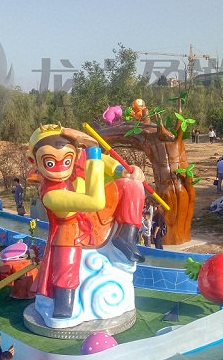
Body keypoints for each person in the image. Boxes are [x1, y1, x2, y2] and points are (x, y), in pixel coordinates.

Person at [27, 124, 146, 318]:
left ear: (74, 155)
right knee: (66, 253)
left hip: (96, 216)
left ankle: (127, 236)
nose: (60, 168)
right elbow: (95, 201)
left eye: (67, 160)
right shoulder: (51, 194)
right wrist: (93, 149)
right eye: (50, 162)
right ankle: (64, 300)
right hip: (71, 226)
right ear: (34, 160)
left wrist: (125, 171)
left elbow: (106, 162)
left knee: (132, 185)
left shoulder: (79, 158)